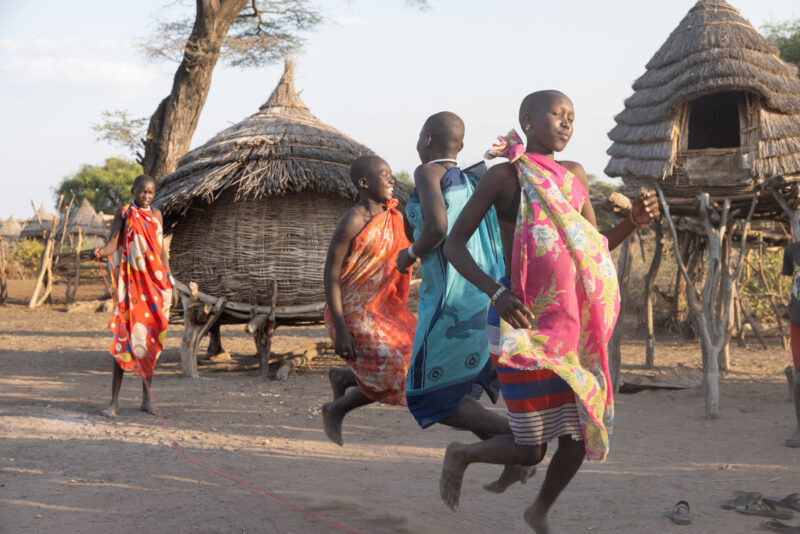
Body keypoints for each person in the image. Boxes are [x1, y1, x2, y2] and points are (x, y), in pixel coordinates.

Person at [440, 90, 659, 532]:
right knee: (530, 449)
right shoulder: (505, 177)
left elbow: (594, 251)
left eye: (572, 118)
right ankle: (461, 454)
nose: (566, 123)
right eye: (557, 114)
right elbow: (452, 245)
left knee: (581, 431)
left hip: (569, 327)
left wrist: (632, 221)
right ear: (527, 120)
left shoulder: (574, 176)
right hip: (521, 323)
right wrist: (493, 293)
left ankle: (538, 508)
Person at [396, 111, 532, 492]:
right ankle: (512, 454)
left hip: (448, 303)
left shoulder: (429, 173)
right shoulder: (475, 181)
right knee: (453, 389)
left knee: (426, 395)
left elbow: (438, 227)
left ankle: (516, 437)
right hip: (483, 298)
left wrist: (409, 254)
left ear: (425, 140)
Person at [321, 155, 417, 446]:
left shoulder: (396, 217)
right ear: (364, 183)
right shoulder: (353, 220)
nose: (392, 180)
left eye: (392, 175)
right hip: (351, 310)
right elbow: (331, 275)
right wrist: (341, 328)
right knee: (394, 366)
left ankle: (344, 379)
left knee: (415, 357)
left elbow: (423, 239)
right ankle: (337, 408)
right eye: (385, 175)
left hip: (383, 306)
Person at [94, 174, 177, 417]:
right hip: (131, 287)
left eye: (150, 192)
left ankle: (146, 400)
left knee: (149, 341)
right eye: (142, 191)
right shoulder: (124, 212)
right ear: (133, 190)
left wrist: (170, 278)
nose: (146, 196)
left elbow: (161, 252)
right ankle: (114, 402)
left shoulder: (157, 215)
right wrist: (100, 252)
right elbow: (113, 244)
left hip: (155, 285)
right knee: (124, 341)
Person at [781, 242, 800, 448]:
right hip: (798, 321)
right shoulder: (791, 251)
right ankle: (799, 428)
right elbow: (791, 281)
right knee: (799, 378)